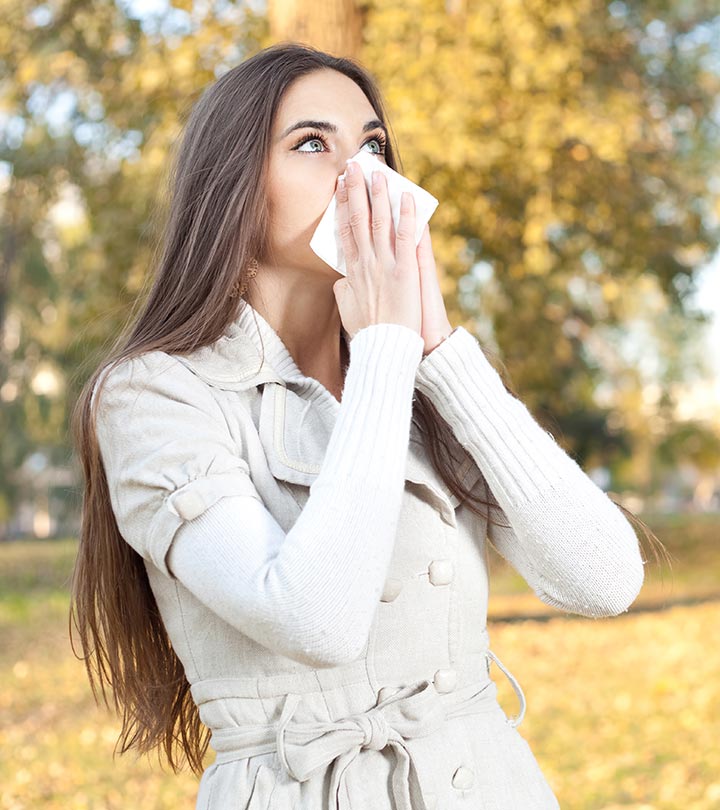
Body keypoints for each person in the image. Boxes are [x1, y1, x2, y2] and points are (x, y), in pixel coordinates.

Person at [70, 41, 656, 810]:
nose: (364, 176)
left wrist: (440, 349)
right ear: (234, 187)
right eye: (314, 143)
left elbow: (605, 580)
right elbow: (317, 620)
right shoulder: (154, 393)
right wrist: (386, 348)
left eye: (373, 145)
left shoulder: (419, 377)